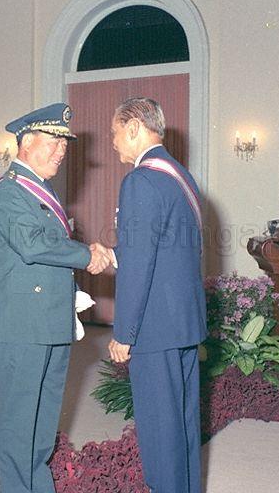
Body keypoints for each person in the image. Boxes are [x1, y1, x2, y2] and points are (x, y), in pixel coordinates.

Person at [0, 102, 110, 493]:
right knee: (18, 420)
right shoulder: (9, 191)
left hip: (50, 318)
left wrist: (84, 253)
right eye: (55, 142)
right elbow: (32, 245)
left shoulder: (40, 190)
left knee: (42, 421)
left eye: (64, 145)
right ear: (25, 143)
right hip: (24, 322)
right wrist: (87, 254)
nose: (62, 151)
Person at [107, 98, 207, 493]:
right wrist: (114, 254)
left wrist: (124, 333)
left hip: (153, 327)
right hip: (182, 322)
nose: (114, 142)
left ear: (133, 128)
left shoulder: (141, 179)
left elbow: (139, 265)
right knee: (182, 426)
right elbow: (162, 249)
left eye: (116, 133)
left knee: (160, 434)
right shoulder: (180, 175)